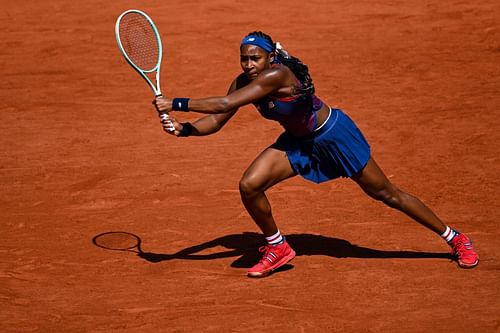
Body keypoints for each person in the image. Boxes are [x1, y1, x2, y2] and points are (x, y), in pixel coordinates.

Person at [153, 31, 479, 278]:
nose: (249, 64)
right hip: (298, 143)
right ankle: (278, 246)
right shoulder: (244, 80)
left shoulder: (277, 76)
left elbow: (224, 104)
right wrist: (185, 130)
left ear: (270, 59)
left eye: (255, 58)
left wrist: (176, 103)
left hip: (334, 136)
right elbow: (217, 119)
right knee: (249, 185)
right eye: (244, 58)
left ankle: (454, 238)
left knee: (387, 194)